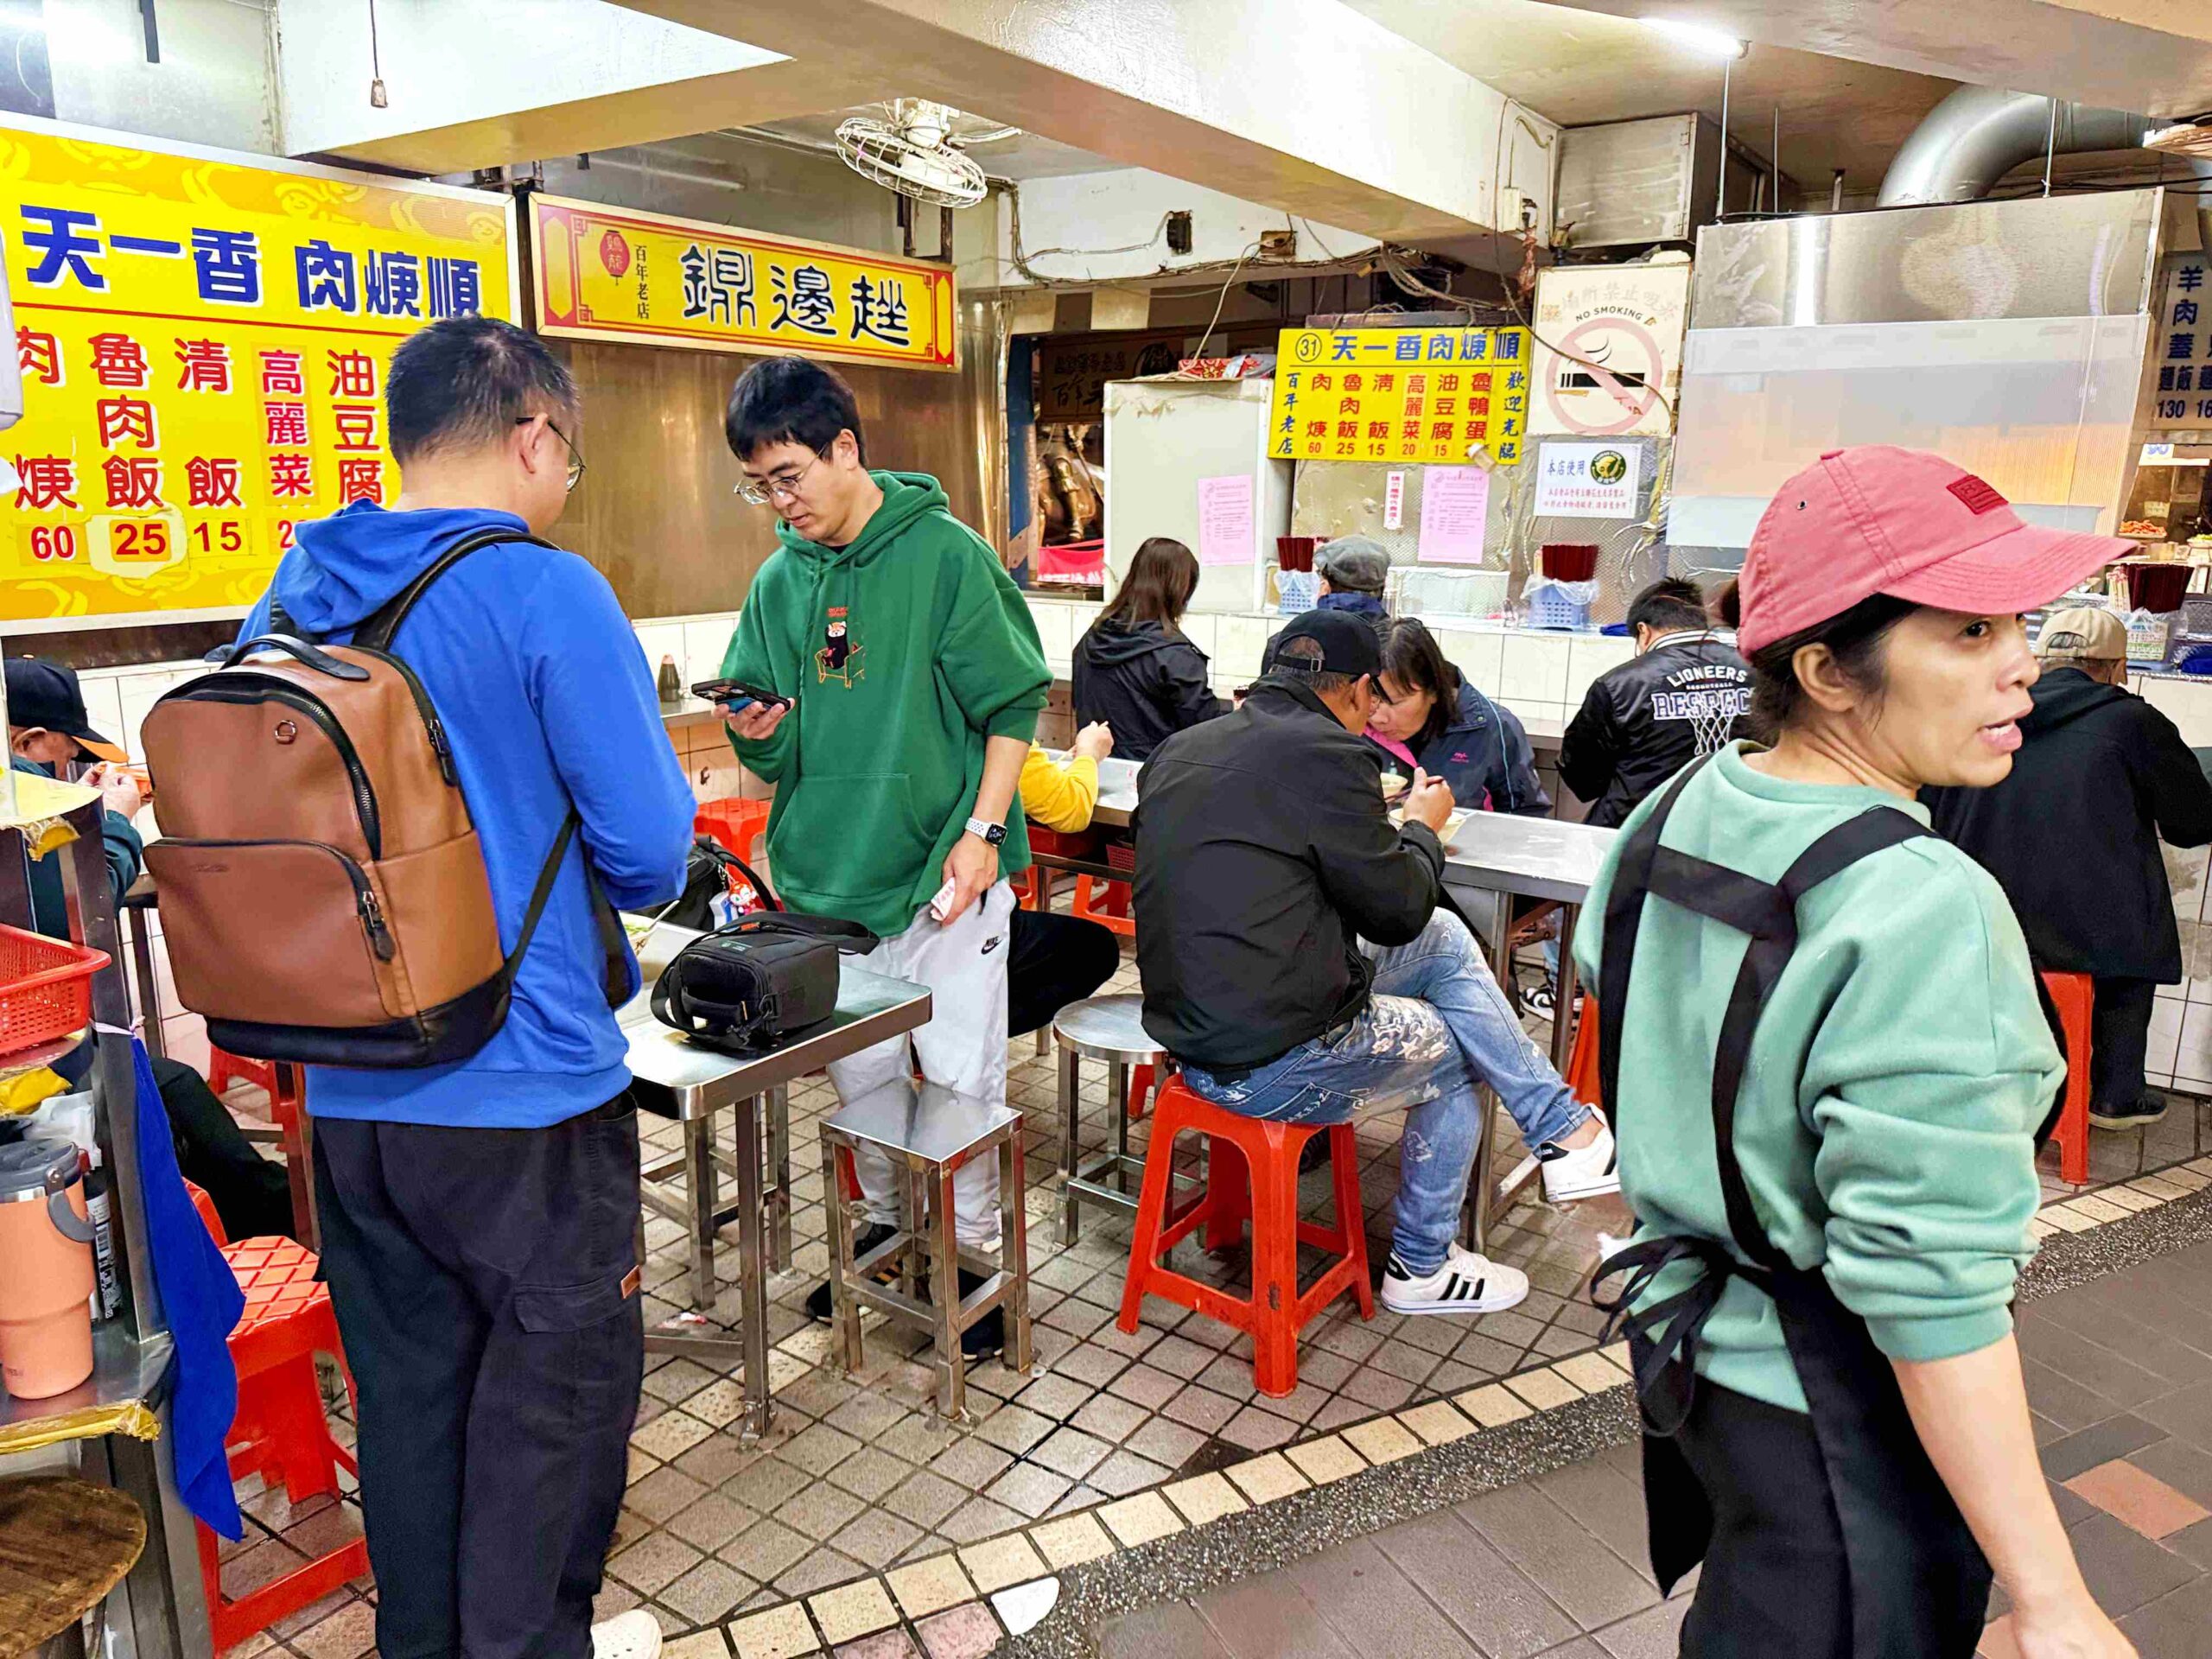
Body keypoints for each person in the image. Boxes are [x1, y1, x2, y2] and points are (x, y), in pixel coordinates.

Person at [1583, 446, 2135, 1658]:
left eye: (2018, 624)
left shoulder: (1672, 812)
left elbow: (1630, 1016)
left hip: (1703, 1367)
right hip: (1846, 1412)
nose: (2021, 663)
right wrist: (2049, 1596)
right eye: (1969, 631)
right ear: (1829, 670)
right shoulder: (1923, 903)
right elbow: (1928, 1288)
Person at [236, 316, 696, 1659]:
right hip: (527, 1098)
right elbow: (652, 853)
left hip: (352, 1106)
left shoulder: (296, 588)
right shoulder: (547, 593)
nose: (562, 492)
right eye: (566, 463)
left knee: (416, 1416)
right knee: (547, 1439)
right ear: (532, 438)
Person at [1134, 610, 1618, 1319]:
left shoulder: (1183, 747)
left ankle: (1561, 1130)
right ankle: (1422, 1266)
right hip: (1264, 1058)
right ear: (1359, 691)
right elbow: (1395, 911)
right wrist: (1421, 827)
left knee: (1450, 944)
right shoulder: (1330, 756)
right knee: (1465, 1040)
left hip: (1185, 1030)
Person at [716, 354, 1050, 1358]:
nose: (780, 503)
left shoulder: (944, 556)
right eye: (759, 485)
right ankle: (889, 1235)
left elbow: (1013, 703)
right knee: (863, 1085)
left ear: (846, 450)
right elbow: (768, 738)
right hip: (827, 885)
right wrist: (761, 726)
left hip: (943, 877)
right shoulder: (780, 579)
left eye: (790, 478)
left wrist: (983, 835)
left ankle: (974, 1253)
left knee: (959, 1078)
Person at [6, 659, 295, 1243]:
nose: (73, 769)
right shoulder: (14, 808)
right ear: (28, 741)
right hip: (25, 1062)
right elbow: (76, 916)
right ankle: (274, 1219)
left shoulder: (27, 794)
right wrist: (113, 826)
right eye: (68, 755)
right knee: (169, 1089)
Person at [1926, 606, 2212, 1131]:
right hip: (2093, 933)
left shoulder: (1976, 712)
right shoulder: (2132, 722)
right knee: (2130, 929)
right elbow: (2192, 824)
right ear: (2114, 667)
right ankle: (2115, 1093)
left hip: (1974, 920)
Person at [1560, 576, 1751, 828]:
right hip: (1731, 827)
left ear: (1643, 631)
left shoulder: (1619, 684)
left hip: (1636, 830)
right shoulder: (1758, 673)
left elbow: (1582, 774)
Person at [1363, 618, 1551, 817]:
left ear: (1433, 689)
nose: (1378, 718)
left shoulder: (1493, 729)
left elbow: (1525, 815)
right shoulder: (1350, 725)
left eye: (1396, 701)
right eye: (1371, 699)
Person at [1011, 721, 1123, 1038]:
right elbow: (1069, 810)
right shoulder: (999, 723)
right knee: (1095, 950)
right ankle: (965, 1030)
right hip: (959, 923)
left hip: (884, 918)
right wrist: (1088, 754)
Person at [1071, 535, 1222, 760]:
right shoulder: (1174, 655)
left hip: (1094, 771)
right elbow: (1204, 729)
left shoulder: (1090, 641)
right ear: (1180, 591)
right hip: (1156, 779)